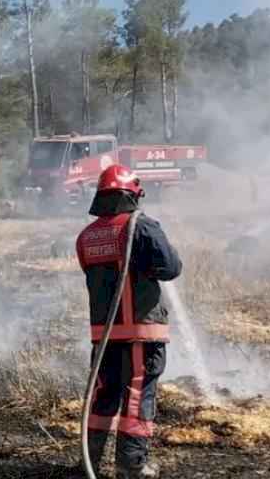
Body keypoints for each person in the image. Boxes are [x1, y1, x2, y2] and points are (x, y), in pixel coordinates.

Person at [76, 165, 183, 478]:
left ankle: (89, 462)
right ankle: (131, 465)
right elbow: (171, 267)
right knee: (137, 395)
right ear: (132, 195)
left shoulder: (87, 236)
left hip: (104, 336)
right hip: (140, 332)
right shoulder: (141, 226)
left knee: (103, 394)